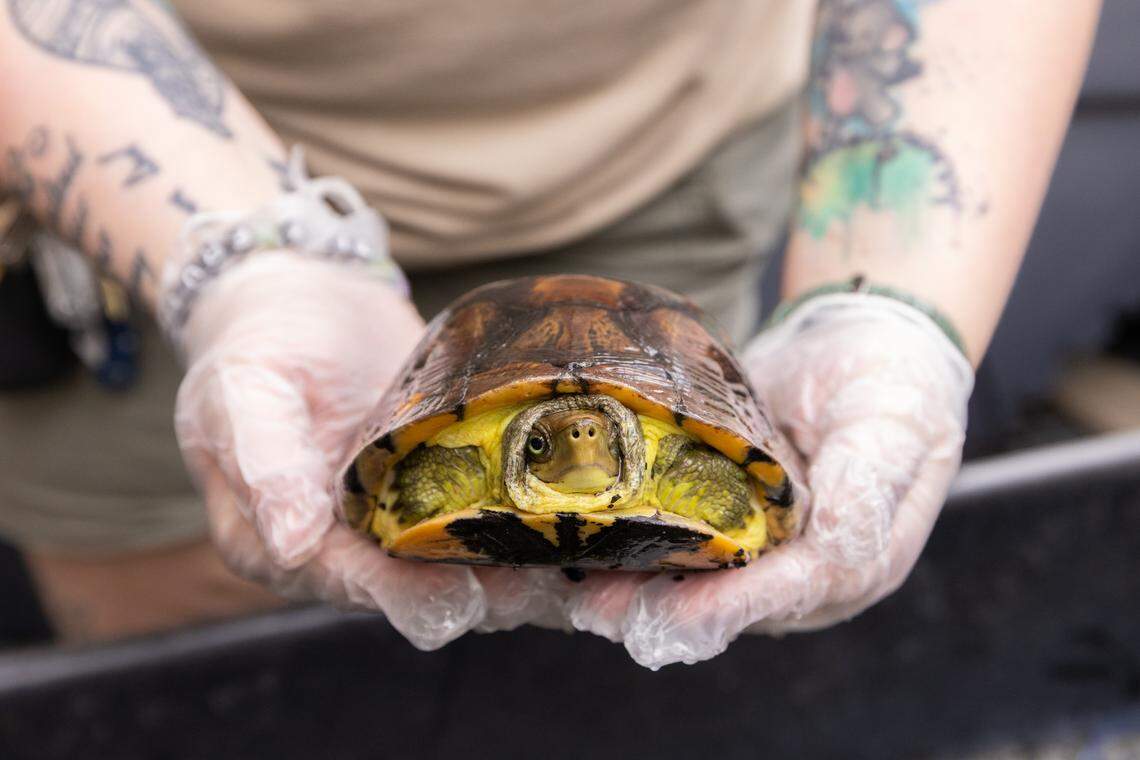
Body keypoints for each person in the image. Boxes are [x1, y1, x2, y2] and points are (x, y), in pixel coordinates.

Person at [0, 0, 1099, 667]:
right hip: (126, 176)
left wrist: (891, 304)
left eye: (586, 438)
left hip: (662, 147)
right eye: (549, 440)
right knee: (212, 635)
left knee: (639, 653)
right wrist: (243, 271)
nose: (575, 444)